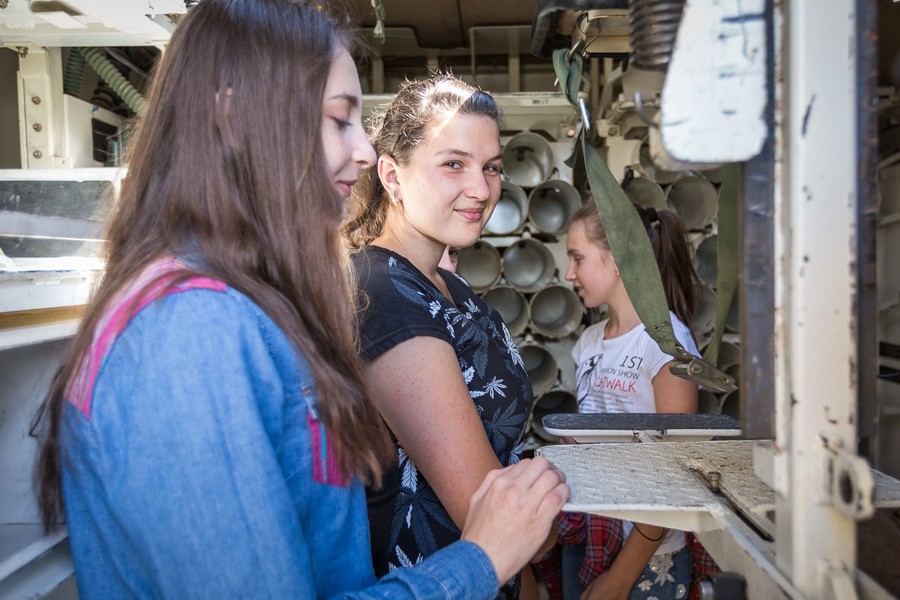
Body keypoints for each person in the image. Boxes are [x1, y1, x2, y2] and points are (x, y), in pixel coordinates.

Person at [30, 2, 568, 598]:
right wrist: (481, 558)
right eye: (339, 120)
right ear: (235, 120)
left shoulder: (243, 308)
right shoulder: (189, 329)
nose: (364, 151)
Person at [343, 75, 551, 599]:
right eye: (453, 164)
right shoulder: (383, 293)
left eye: (492, 167)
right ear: (391, 176)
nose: (481, 190)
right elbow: (481, 504)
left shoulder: (446, 282)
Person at [539, 201, 703, 600]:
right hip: (590, 535)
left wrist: (621, 578)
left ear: (617, 259)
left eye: (577, 258)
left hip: (645, 556)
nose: (568, 273)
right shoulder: (589, 342)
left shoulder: (667, 343)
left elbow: (675, 473)